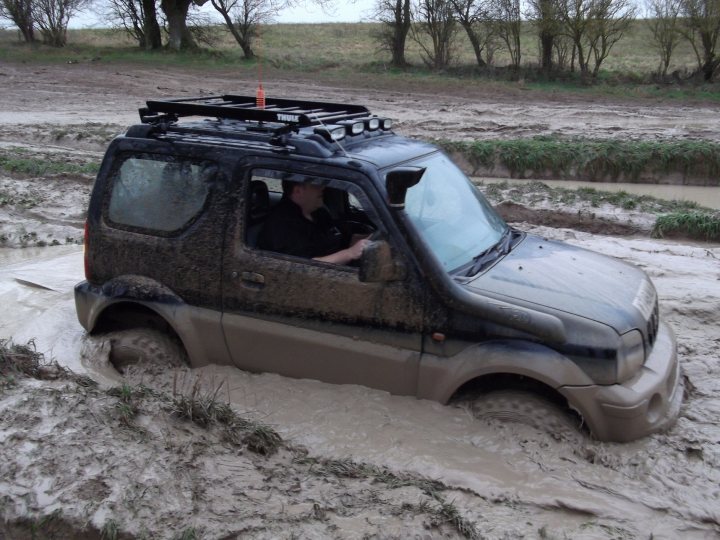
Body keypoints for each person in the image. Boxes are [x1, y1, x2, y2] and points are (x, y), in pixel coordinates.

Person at [257, 179, 370, 265]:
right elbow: (305, 266)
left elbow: (342, 238)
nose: (323, 188)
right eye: (316, 184)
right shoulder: (281, 224)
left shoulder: (319, 212)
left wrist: (368, 239)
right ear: (298, 191)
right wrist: (349, 254)